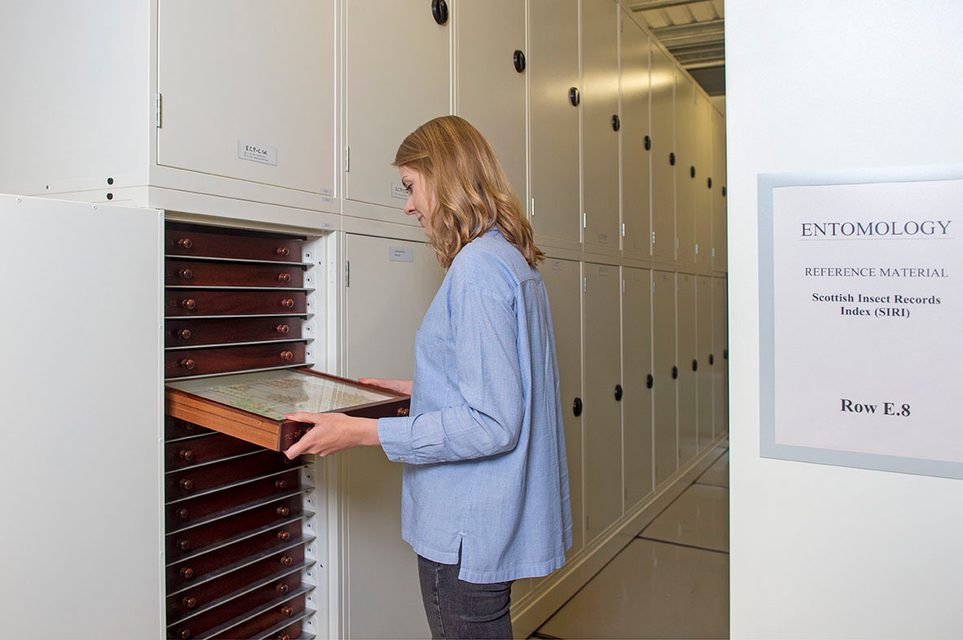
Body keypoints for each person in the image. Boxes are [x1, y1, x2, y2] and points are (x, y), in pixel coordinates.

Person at [283, 115, 572, 639]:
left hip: (465, 530)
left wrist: (362, 432)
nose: (409, 205)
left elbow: (492, 424)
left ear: (446, 178)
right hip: (491, 521)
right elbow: (509, 384)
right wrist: (422, 390)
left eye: (410, 186)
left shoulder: (476, 270)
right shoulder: (508, 260)